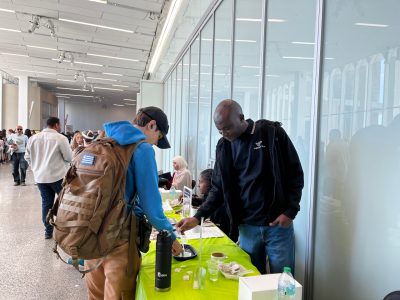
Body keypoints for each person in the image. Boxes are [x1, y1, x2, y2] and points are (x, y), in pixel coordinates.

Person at [176, 99, 304, 274]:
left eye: (227, 128)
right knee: (250, 279)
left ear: (241, 118)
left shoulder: (271, 133)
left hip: (277, 225)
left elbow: (295, 172)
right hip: (246, 227)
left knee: (282, 280)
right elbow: (218, 188)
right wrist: (198, 217)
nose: (224, 134)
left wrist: (290, 211)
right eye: (220, 130)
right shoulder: (224, 146)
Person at [85, 106, 182, 300]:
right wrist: (171, 237)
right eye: (159, 137)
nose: (155, 143)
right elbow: (151, 208)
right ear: (152, 125)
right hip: (119, 237)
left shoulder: (102, 141)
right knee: (119, 295)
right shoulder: (142, 149)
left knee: (96, 295)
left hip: (90, 234)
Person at [24, 117, 72, 239]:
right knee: (65, 203)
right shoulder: (60, 138)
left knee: (46, 204)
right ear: (56, 125)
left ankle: (48, 231)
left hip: (40, 178)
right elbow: (68, 157)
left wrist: (36, 168)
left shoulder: (33, 138)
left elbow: (27, 157)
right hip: (58, 177)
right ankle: (65, 229)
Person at [193, 168, 238, 241]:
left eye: (201, 182)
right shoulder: (206, 196)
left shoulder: (219, 205)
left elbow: (218, 226)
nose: (198, 185)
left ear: (210, 183)